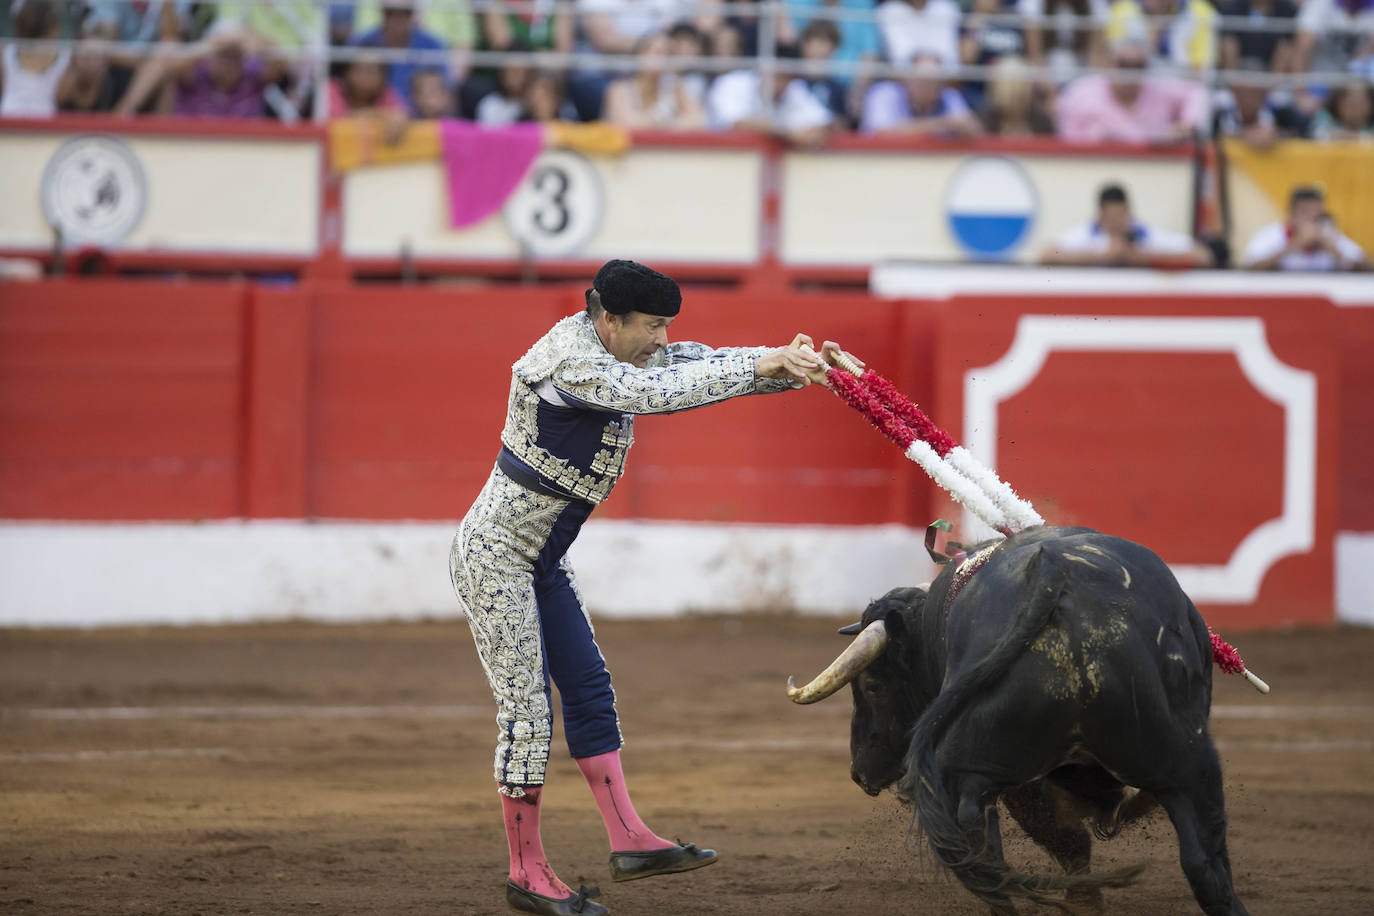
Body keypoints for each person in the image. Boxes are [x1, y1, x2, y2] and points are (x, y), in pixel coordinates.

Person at [448, 260, 841, 916]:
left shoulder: (616, 350)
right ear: (611, 319)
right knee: (528, 715)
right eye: (652, 325)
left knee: (591, 691)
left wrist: (788, 367)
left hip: (539, 559)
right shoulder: (572, 364)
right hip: (496, 561)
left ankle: (631, 838)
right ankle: (527, 872)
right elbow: (662, 391)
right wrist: (763, 366)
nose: (662, 337)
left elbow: (691, 364)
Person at [1055, 35, 1209, 143]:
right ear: (1108, 65)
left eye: (1138, 66)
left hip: (1154, 174)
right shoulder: (1081, 93)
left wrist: (1186, 126)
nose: (1130, 73)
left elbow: (1198, 92)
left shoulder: (1158, 89)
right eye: (1123, 65)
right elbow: (1069, 141)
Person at [1041, 183, 1214, 266]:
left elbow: (1202, 256)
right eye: (1112, 217)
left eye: (1121, 215)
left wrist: (1140, 256)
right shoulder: (1086, 234)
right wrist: (1100, 255)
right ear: (1100, 214)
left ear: (1129, 211)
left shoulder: (1145, 234)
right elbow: (1047, 255)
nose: (1117, 221)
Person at [707, 55, 835, 146]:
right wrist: (788, 133)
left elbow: (825, 121)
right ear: (762, 71)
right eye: (776, 76)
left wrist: (813, 134)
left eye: (785, 77)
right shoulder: (732, 82)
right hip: (722, 158)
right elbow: (736, 123)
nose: (779, 82)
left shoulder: (793, 88)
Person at [1242, 185, 1370, 271]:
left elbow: (1368, 267)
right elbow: (1250, 268)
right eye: (1305, 212)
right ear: (1291, 215)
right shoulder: (1273, 234)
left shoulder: (1330, 236)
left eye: (1317, 213)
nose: (1311, 218)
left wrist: (1335, 252)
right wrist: (1292, 247)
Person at [601, 31, 706, 129]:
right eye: (657, 52)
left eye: (667, 54)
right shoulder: (620, 89)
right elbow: (627, 122)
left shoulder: (676, 87)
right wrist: (660, 118)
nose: (662, 59)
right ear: (640, 55)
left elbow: (698, 120)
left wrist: (666, 123)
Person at [859, 52, 982, 136]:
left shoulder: (949, 96)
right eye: (923, 80)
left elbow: (975, 131)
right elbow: (880, 133)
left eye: (934, 81)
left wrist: (967, 128)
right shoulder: (884, 93)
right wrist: (940, 124)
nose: (928, 87)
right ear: (907, 78)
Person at [0, 0, 72, 118]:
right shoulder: (65, 57)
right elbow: (61, 96)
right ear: (54, 25)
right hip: (35, 121)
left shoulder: (6, 53)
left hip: (14, 119)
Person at [877, 0, 962, 67]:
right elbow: (899, 61)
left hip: (944, 84)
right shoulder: (888, 11)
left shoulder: (947, 8)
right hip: (900, 85)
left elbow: (951, 62)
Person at [1309, 79, 1374, 139]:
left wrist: (1355, 137)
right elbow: (1317, 135)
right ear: (1338, 103)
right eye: (1350, 104)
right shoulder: (1325, 116)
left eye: (1360, 104)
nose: (1355, 110)